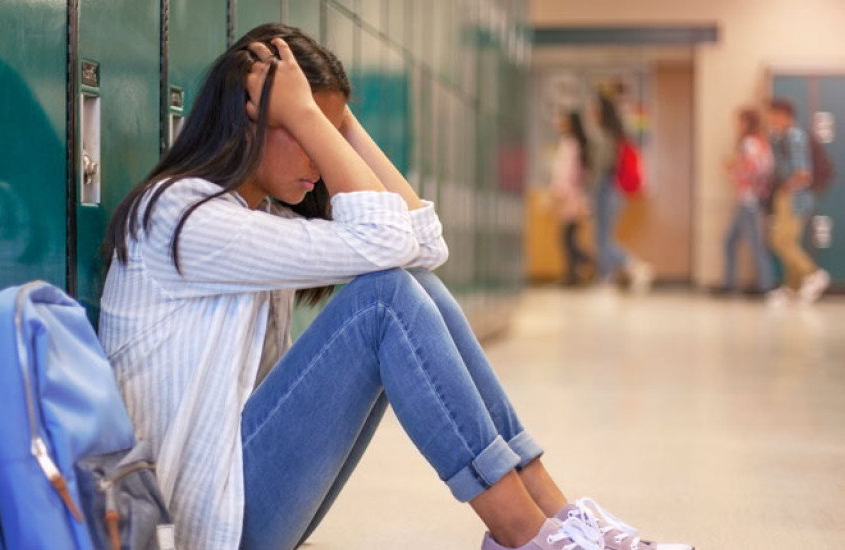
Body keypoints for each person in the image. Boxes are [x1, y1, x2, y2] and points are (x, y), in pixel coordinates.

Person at [99, 24, 693, 550]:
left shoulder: (259, 218)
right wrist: (310, 115)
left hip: (241, 498)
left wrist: (333, 117)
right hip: (201, 521)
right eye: (306, 132)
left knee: (410, 284)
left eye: (330, 133)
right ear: (251, 116)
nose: (319, 158)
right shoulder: (182, 216)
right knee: (383, 299)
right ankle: (524, 536)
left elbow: (423, 243)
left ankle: (554, 516)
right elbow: (387, 245)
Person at [766, 98, 830, 305]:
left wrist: (787, 189)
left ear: (785, 116)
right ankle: (792, 288)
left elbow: (804, 174)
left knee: (781, 241)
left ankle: (812, 274)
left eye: (774, 115)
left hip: (793, 197)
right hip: (786, 195)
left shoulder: (795, 137)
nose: (771, 119)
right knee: (785, 242)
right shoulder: (779, 138)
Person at [590, 94, 653, 292]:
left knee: (603, 239)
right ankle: (606, 277)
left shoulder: (605, 135)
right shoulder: (618, 135)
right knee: (601, 237)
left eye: (595, 109)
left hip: (606, 189)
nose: (592, 113)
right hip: (613, 191)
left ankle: (634, 265)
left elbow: (602, 166)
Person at [719, 109, 775, 294]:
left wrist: (731, 170)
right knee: (730, 241)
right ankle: (729, 284)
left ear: (746, 123)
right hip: (750, 198)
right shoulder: (761, 143)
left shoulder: (749, 143)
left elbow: (752, 170)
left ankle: (765, 285)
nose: (736, 126)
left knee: (754, 243)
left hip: (748, 199)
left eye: (739, 121)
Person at [549, 111, 592, 285]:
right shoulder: (576, 145)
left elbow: (566, 173)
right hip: (573, 197)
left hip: (570, 199)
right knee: (569, 238)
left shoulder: (570, 145)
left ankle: (585, 263)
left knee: (567, 239)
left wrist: (559, 192)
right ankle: (573, 275)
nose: (558, 123)